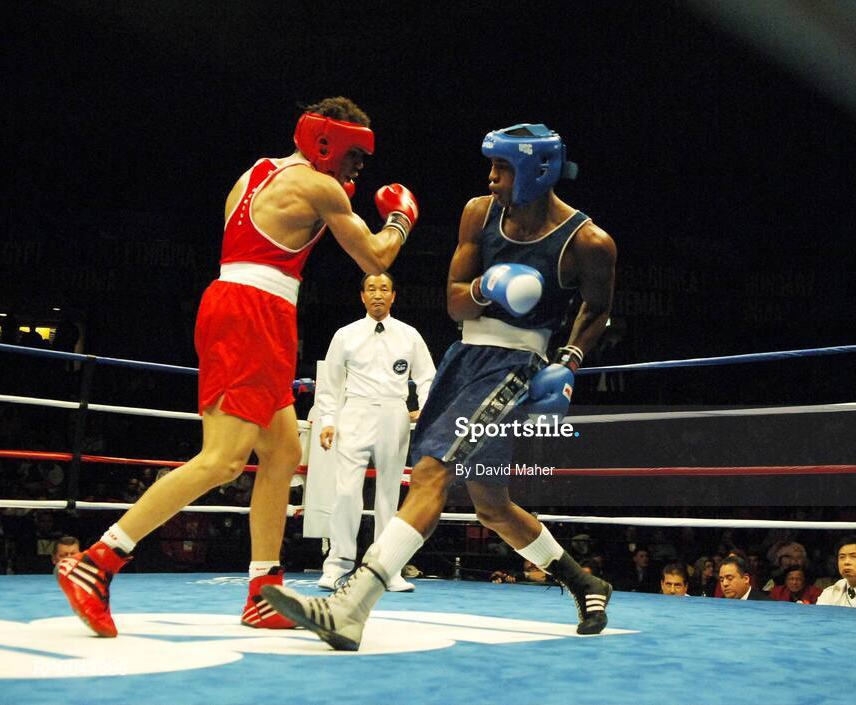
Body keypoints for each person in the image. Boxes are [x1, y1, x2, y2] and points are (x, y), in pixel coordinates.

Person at [56, 96, 420, 638]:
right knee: (223, 460)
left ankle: (262, 590)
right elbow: (376, 256)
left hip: (250, 307)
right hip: (251, 314)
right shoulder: (317, 187)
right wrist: (400, 216)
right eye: (355, 154)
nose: (360, 167)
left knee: (282, 452)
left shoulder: (258, 172)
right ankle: (99, 561)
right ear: (327, 143)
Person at [264, 122, 617, 650]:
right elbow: (454, 301)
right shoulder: (479, 212)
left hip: (515, 366)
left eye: (502, 168)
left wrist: (568, 359)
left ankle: (349, 607)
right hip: (463, 357)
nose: (492, 178)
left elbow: (598, 309)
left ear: (535, 172)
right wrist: (485, 287)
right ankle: (585, 582)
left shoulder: (588, 242)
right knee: (491, 505)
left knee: (431, 473)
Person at [304, 271, 435, 592]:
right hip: (355, 412)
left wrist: (426, 412)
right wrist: (329, 421)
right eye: (372, 289)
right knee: (346, 491)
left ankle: (386, 568)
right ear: (362, 296)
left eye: (384, 288)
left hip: (395, 412)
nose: (378, 294)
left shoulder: (409, 335)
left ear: (393, 296)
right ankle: (337, 563)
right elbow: (330, 385)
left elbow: (429, 377)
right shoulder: (345, 335)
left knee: (389, 495)